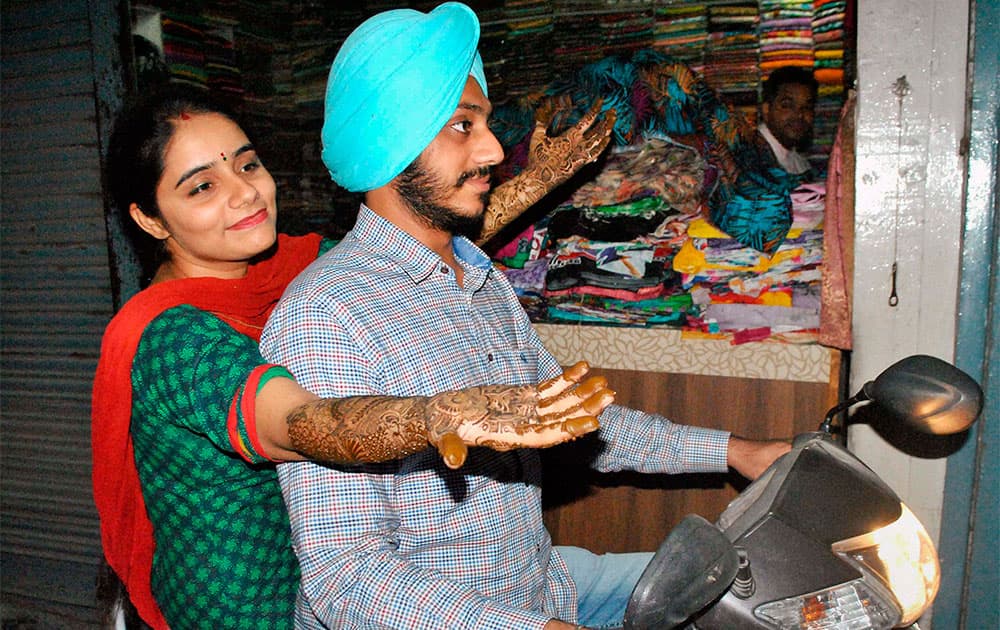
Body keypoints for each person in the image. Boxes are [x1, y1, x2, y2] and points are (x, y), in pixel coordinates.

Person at [260, 3, 791, 629]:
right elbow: (347, 581)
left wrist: (736, 450)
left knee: (747, 595)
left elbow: (576, 421)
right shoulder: (327, 317)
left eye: (484, 122)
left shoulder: (479, 280)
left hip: (542, 586)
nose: (491, 148)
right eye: (462, 126)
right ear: (388, 142)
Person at [91, 85, 617, 630]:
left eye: (248, 166)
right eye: (202, 186)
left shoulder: (287, 267)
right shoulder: (173, 339)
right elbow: (297, 423)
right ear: (151, 219)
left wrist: (538, 180)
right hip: (242, 608)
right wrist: (438, 417)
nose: (244, 194)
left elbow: (408, 243)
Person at [757, 65, 818, 176]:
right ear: (766, 110)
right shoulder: (748, 159)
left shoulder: (800, 164)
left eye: (807, 107)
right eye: (788, 105)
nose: (799, 115)